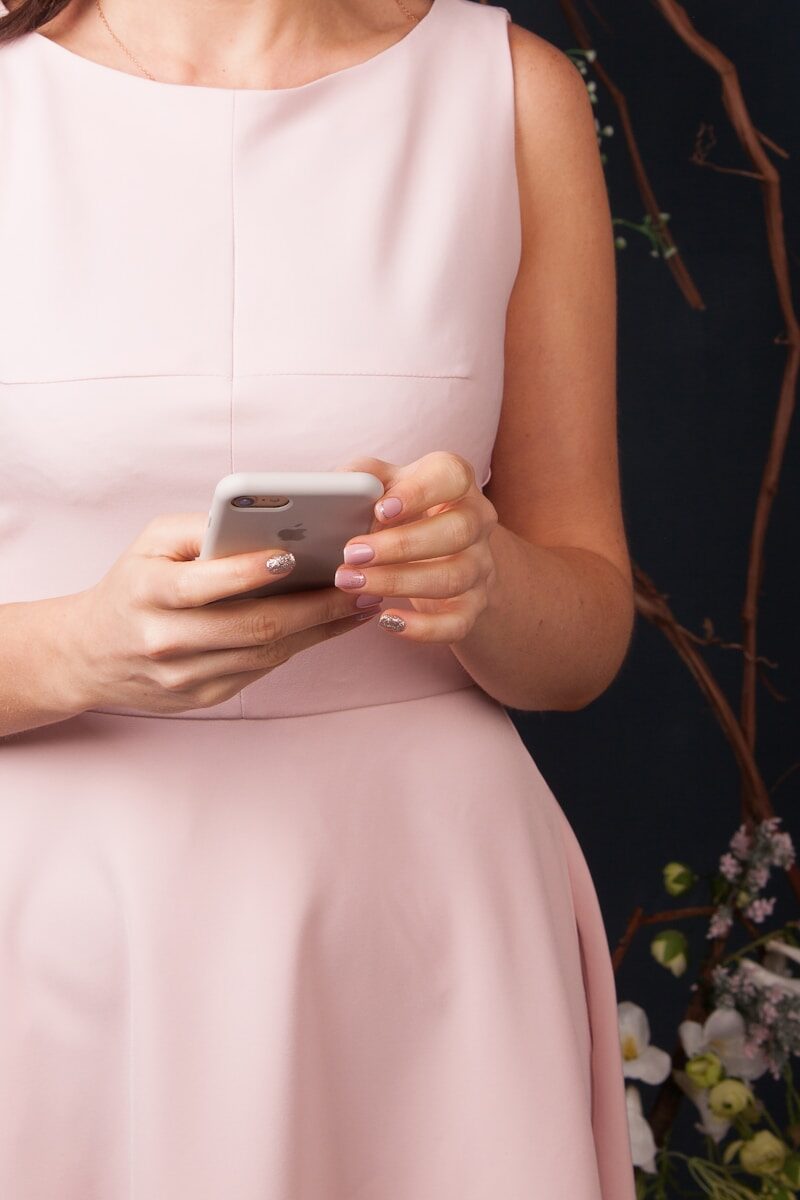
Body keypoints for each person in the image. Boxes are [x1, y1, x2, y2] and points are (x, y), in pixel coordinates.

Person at [0, 0, 637, 1195]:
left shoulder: (507, 92)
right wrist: (72, 653)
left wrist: (484, 579)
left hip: (423, 931)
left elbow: (587, 638)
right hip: (52, 934)